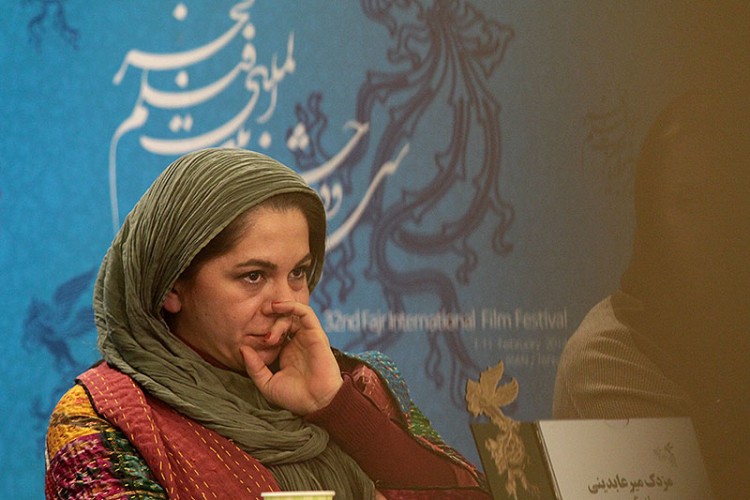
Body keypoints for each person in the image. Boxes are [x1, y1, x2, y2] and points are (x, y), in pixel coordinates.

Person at [45, 148, 490, 499]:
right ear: (173, 287)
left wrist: (336, 408)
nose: (286, 303)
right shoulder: (103, 417)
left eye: (298, 273)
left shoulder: (358, 384)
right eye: (253, 276)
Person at [553, 88, 750, 498]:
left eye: (732, 201)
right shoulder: (608, 358)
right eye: (691, 203)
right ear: (652, 210)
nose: (716, 227)